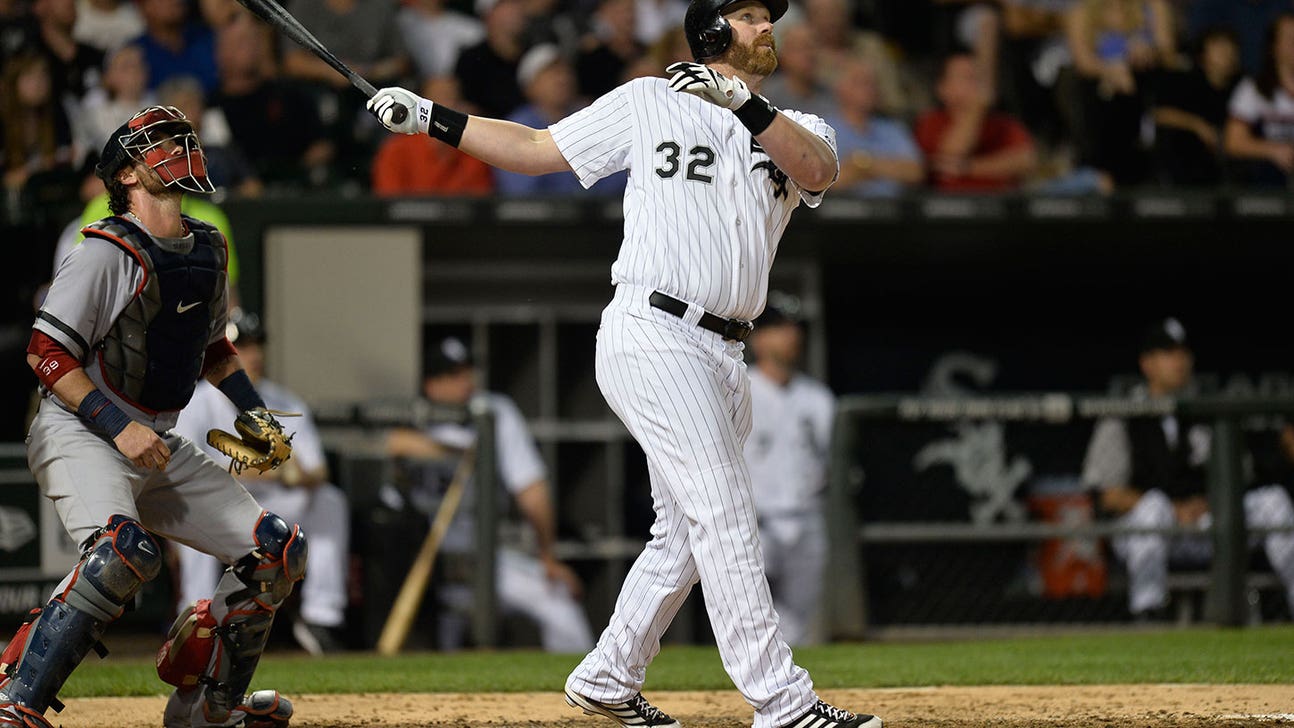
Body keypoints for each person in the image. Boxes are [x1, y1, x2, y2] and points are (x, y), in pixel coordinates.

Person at [366, 0, 880, 723]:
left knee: (684, 536)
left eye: (770, 16)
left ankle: (608, 675)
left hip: (727, 351)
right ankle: (782, 703)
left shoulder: (798, 126)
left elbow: (820, 170)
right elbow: (538, 149)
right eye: (749, 14)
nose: (767, 27)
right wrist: (431, 118)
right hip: (655, 329)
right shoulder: (650, 100)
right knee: (726, 513)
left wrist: (744, 103)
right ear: (707, 31)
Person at [2, 105, 303, 728]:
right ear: (129, 174)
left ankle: (207, 710)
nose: (178, 149)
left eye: (181, 139)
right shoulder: (105, 250)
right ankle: (14, 699)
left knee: (276, 551)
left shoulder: (209, 246)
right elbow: (45, 351)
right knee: (120, 553)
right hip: (80, 428)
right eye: (160, 144)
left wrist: (256, 415)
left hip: (156, 437)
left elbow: (215, 350)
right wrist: (120, 427)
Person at [385, 336, 593, 653]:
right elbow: (383, 442)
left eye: (468, 372)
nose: (465, 382)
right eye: (452, 375)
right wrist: (447, 452)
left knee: (557, 600)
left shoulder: (493, 412)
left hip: (485, 561)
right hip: (425, 563)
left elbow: (532, 491)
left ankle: (591, 687)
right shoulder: (414, 416)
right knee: (438, 649)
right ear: (430, 384)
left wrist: (547, 555)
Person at [1080, 318, 1294, 621]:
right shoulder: (1123, 415)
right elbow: (1106, 494)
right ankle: (1148, 614)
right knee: (1153, 506)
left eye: (1183, 353)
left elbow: (1246, 471)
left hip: (1207, 524)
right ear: (1148, 364)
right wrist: (1173, 507)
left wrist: (1214, 502)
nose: (1179, 361)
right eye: (1168, 353)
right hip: (1151, 528)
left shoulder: (1208, 412)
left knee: (1274, 501)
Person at [172, 314, 351, 657]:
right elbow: (186, 468)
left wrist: (295, 475)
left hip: (274, 505)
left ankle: (321, 617)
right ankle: (195, 616)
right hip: (218, 505)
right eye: (242, 346)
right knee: (191, 509)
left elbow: (316, 470)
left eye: (256, 346)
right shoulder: (196, 401)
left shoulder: (282, 400)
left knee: (330, 501)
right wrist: (272, 469)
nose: (252, 355)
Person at [742, 295, 834, 646]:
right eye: (779, 328)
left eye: (795, 327)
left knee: (801, 624)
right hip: (756, 521)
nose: (791, 335)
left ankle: (794, 697)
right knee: (751, 619)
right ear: (758, 338)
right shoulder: (740, 390)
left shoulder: (818, 398)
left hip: (807, 517)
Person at [495, 44, 626, 196]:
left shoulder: (589, 119)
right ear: (529, 86)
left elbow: (616, 178)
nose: (562, 78)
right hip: (534, 217)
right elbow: (519, 191)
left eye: (565, 71)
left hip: (595, 216)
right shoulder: (515, 125)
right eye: (550, 72)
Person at [915, 52, 1037, 192]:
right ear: (943, 88)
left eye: (978, 77)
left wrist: (969, 167)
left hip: (999, 203)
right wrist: (977, 107)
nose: (977, 84)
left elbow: (1025, 161)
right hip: (949, 205)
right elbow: (950, 155)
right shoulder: (930, 121)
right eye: (967, 77)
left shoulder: (1002, 122)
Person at [1151, 28, 1241, 187]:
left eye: (1230, 47)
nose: (1226, 52)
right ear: (1203, 54)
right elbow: (1160, 114)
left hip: (1230, 162)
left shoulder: (1242, 85)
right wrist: (1198, 125)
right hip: (1187, 163)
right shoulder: (1186, 81)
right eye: (1219, 47)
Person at [824, 56, 923, 198]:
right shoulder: (823, 129)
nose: (870, 89)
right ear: (840, 89)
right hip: (838, 213)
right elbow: (824, 181)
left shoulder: (892, 129)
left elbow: (915, 172)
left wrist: (863, 165)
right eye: (861, 83)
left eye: (873, 84)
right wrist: (888, 168)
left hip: (893, 211)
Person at [1224, 12, 1294, 188]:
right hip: (1267, 181)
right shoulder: (1253, 88)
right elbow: (1233, 142)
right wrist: (1272, 151)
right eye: (1290, 38)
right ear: (1274, 46)